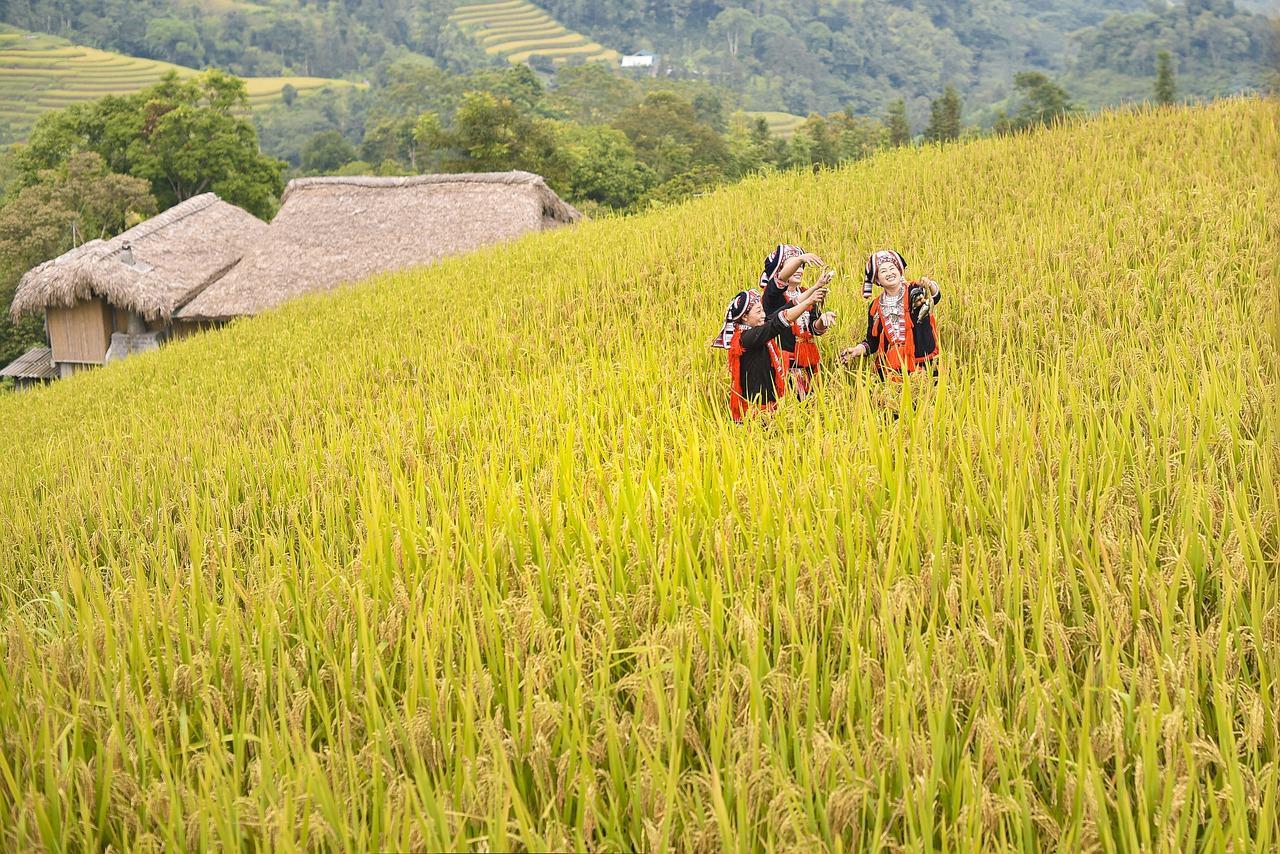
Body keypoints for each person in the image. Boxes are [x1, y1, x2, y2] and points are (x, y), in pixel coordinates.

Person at [712, 284, 830, 421]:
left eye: (763, 311)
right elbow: (776, 323)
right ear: (744, 317)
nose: (763, 315)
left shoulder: (756, 329)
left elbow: (784, 309)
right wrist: (808, 302)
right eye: (758, 312)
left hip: (769, 406)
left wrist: (813, 290)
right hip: (757, 410)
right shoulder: (747, 338)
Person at [839, 249, 941, 380]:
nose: (889, 273)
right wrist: (857, 350)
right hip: (892, 367)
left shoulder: (914, 289)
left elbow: (935, 298)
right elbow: (872, 341)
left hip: (923, 361)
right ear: (877, 280)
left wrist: (930, 285)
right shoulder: (875, 307)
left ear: (899, 271)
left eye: (892, 268)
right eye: (883, 271)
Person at [760, 244, 837, 398]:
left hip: (808, 361)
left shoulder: (806, 293)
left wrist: (823, 320)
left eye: (802, 266)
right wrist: (800, 258)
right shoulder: (772, 295)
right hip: (784, 362)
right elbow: (780, 279)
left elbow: (814, 328)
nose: (800, 269)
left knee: (812, 403)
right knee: (791, 403)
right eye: (794, 265)